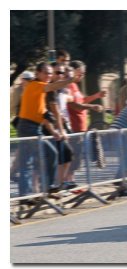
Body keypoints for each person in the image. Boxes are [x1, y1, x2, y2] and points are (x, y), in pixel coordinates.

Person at [17, 61, 74, 196]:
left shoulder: (40, 91)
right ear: (37, 74)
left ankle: (42, 190)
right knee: (31, 162)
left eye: (50, 73)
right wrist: (69, 80)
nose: (48, 75)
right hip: (27, 127)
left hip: (33, 127)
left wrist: (55, 130)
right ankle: (38, 191)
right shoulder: (36, 85)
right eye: (45, 73)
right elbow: (53, 86)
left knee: (40, 158)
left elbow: (43, 114)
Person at [43, 62, 76, 190]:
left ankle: (59, 184)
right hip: (46, 128)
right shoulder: (50, 90)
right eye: (57, 72)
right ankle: (54, 185)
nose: (60, 75)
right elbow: (54, 112)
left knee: (66, 153)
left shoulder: (57, 91)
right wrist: (61, 132)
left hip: (54, 128)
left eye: (61, 73)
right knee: (57, 155)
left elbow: (59, 110)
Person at [67, 60, 106, 133]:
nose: (82, 76)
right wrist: (92, 107)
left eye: (83, 74)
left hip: (81, 128)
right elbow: (74, 105)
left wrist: (97, 95)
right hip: (74, 128)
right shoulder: (68, 86)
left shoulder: (75, 85)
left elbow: (82, 101)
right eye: (80, 74)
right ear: (74, 71)